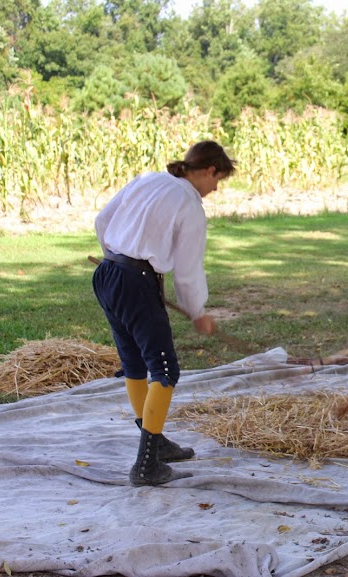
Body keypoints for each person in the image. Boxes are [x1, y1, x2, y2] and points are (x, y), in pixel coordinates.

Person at [92, 140, 236, 486]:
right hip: (135, 280)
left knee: (135, 365)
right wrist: (196, 310)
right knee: (166, 368)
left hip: (107, 274)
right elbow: (187, 269)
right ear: (209, 170)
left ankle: (154, 442)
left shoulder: (148, 180)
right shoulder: (189, 203)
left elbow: (103, 220)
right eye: (218, 180)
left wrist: (117, 258)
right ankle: (146, 466)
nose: (215, 189)